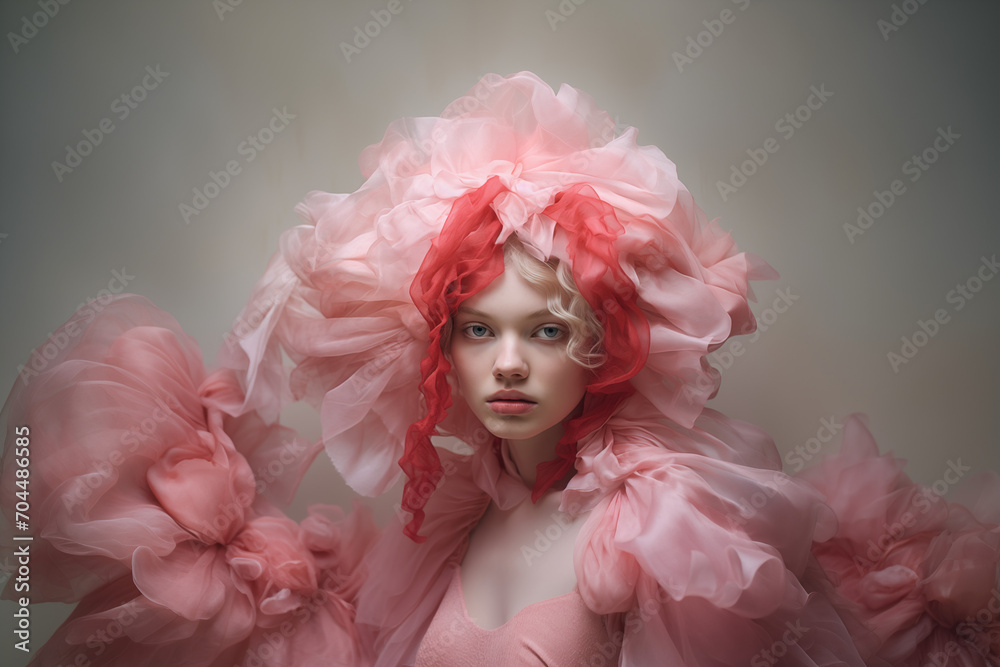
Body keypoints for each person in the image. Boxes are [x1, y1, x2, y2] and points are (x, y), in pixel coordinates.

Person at [2, 71, 998, 666]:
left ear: (604, 344)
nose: (509, 362)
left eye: (548, 332)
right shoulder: (442, 521)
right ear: (439, 343)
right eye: (477, 330)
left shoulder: (656, 525)